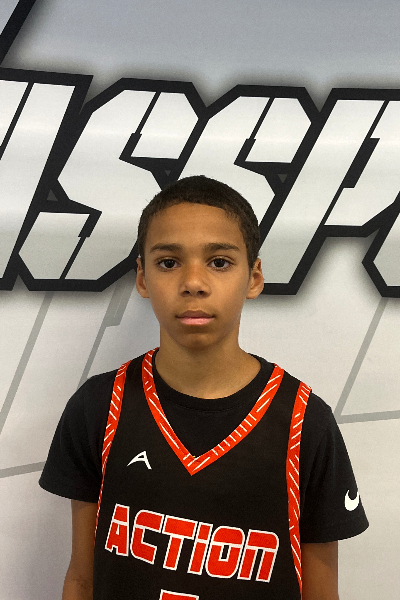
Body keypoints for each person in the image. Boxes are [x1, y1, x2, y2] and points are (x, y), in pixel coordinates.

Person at [39, 175, 368, 600]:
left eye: (219, 262)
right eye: (168, 262)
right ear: (142, 277)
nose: (193, 282)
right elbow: (83, 579)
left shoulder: (304, 422)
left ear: (254, 277)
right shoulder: (99, 405)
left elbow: (321, 593)